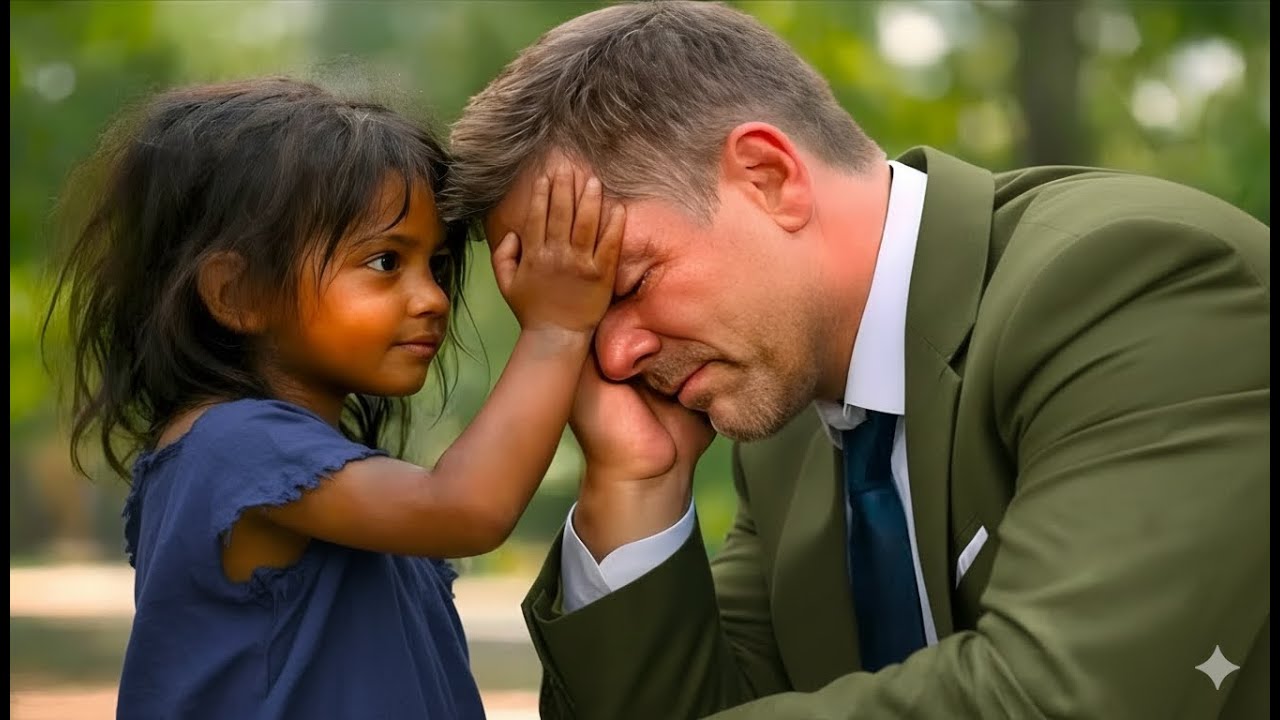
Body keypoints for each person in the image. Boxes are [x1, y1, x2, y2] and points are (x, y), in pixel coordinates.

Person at [445, 2, 1270, 718]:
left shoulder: (1128, 283)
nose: (616, 357)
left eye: (628, 284)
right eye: (585, 328)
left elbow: (1058, 697)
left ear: (769, 177)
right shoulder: (787, 435)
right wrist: (636, 481)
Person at [44, 76, 621, 719]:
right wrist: (555, 329)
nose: (433, 298)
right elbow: (465, 508)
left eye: (436, 265)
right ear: (238, 293)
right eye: (385, 262)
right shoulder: (230, 445)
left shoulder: (301, 466)